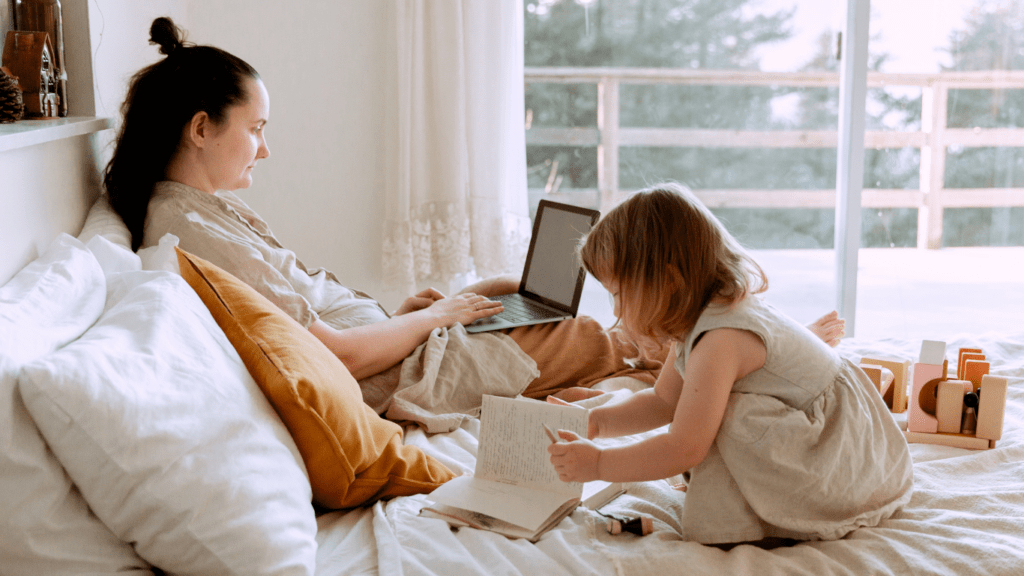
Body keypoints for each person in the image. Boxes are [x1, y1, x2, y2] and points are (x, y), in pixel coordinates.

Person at [104, 17, 846, 420]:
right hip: (404, 374)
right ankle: (746, 354)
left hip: (400, 345)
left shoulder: (201, 215)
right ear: (201, 127)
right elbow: (335, 357)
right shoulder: (188, 234)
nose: (266, 148)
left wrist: (417, 311)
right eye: (256, 127)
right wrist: (431, 324)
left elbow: (316, 321)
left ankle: (737, 344)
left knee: (499, 290)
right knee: (579, 332)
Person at [546, 184, 913, 548]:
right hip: (833, 444)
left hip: (841, 464)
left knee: (724, 417)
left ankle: (754, 523)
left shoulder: (721, 338)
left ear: (669, 282)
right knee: (702, 408)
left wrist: (598, 465)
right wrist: (595, 423)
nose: (614, 310)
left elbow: (685, 448)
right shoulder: (695, 319)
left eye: (617, 294)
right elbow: (662, 402)